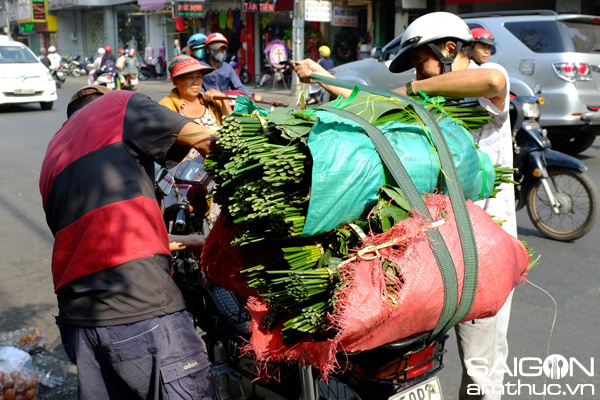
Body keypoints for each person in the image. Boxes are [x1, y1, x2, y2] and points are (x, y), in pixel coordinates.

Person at [293, 12, 516, 400]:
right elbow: (378, 105)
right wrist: (321, 78)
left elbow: (494, 80)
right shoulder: (426, 98)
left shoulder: (486, 83)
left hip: (484, 253)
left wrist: (417, 89)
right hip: (434, 251)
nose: (420, 76)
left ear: (450, 49)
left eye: (420, 63)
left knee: (481, 370)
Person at [39, 84, 219, 400]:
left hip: (80, 323)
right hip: (140, 310)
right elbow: (208, 142)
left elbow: (97, 239)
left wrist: (193, 240)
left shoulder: (52, 155)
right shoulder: (118, 105)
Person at [160, 55, 232, 161]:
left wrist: (224, 100)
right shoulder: (165, 107)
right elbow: (162, 145)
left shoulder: (212, 102)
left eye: (199, 77)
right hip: (185, 171)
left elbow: (233, 128)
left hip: (219, 164)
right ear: (175, 82)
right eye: (189, 77)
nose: (195, 82)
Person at [198, 32, 262, 101]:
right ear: (208, 50)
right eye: (217, 49)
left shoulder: (227, 68)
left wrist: (252, 96)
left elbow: (239, 87)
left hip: (225, 104)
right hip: (207, 104)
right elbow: (197, 89)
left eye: (222, 49)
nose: (220, 52)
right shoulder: (200, 67)